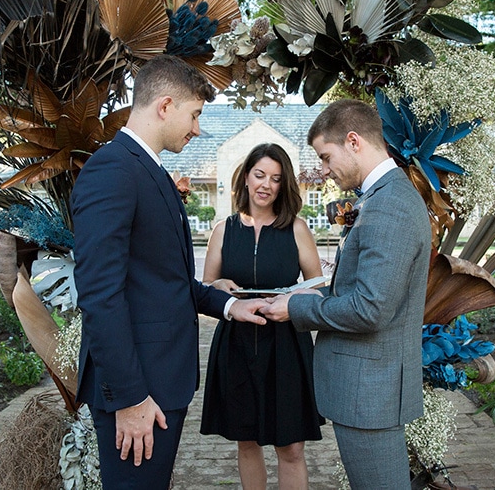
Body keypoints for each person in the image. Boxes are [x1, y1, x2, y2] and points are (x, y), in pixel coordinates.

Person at [71, 55, 268, 490]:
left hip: (160, 382)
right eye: (194, 114)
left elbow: (165, 281)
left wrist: (232, 305)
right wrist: (130, 398)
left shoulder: (148, 171)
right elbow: (100, 294)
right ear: (164, 106)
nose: (197, 128)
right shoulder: (113, 170)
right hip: (139, 390)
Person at [261, 99, 431, 489]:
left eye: (325, 157)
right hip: (367, 388)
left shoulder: (389, 206)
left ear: (354, 141)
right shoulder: (380, 198)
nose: (323, 170)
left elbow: (370, 309)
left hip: (370, 391)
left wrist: (298, 306)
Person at [200, 143, 325, 490]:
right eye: (259, 175)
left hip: (286, 347)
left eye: (275, 178)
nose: (266, 184)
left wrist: (296, 298)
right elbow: (207, 288)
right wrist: (218, 283)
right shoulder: (223, 230)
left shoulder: (297, 229)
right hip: (236, 346)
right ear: (245, 177)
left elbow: (318, 289)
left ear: (283, 185)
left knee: (292, 446)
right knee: (246, 441)